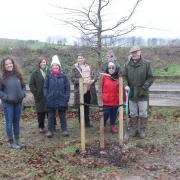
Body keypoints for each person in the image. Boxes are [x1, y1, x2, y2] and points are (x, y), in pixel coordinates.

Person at [123, 45, 154, 138]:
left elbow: (150, 78)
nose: (134, 54)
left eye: (136, 52)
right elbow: (124, 76)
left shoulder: (146, 64)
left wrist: (144, 87)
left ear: (140, 52)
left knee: (143, 112)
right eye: (133, 53)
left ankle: (142, 130)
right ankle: (133, 129)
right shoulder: (127, 64)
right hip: (131, 94)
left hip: (142, 94)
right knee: (133, 113)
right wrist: (125, 85)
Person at [0, 56, 26, 149]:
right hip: (8, 104)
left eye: (10, 63)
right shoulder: (2, 77)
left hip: (18, 103)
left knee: (16, 122)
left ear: (13, 64)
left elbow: (23, 86)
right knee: (9, 122)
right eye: (6, 64)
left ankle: (18, 140)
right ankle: (11, 142)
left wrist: (23, 94)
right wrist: (6, 97)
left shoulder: (18, 74)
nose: (9, 65)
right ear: (4, 66)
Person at [44, 55, 70, 137]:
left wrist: (66, 97)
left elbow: (67, 88)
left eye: (57, 65)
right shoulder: (48, 77)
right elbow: (45, 88)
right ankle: (50, 131)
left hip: (62, 98)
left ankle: (64, 130)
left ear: (59, 67)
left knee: (62, 115)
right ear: (51, 67)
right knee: (51, 116)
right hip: (51, 98)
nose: (55, 67)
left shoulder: (64, 77)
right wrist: (47, 97)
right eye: (53, 66)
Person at [71, 53, 98, 127]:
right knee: (81, 107)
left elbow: (94, 76)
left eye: (81, 58)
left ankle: (87, 123)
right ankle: (82, 123)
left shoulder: (89, 67)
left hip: (89, 90)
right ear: (77, 59)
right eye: (79, 58)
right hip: (80, 91)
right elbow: (73, 79)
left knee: (87, 106)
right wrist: (82, 81)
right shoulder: (74, 68)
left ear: (84, 59)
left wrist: (93, 80)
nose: (80, 59)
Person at [29, 56, 50, 133]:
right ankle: (41, 127)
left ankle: (51, 126)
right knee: (41, 112)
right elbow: (31, 84)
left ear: (46, 63)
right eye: (41, 62)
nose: (43, 63)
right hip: (39, 96)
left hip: (49, 95)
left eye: (44, 62)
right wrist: (36, 93)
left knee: (50, 111)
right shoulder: (35, 73)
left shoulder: (49, 72)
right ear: (39, 63)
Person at [101, 61, 123, 133]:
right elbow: (100, 88)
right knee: (106, 113)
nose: (111, 69)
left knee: (113, 114)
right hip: (106, 100)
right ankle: (102, 126)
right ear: (107, 68)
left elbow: (121, 89)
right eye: (109, 67)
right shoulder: (104, 77)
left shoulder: (118, 78)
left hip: (115, 100)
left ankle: (112, 126)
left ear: (115, 68)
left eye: (112, 67)